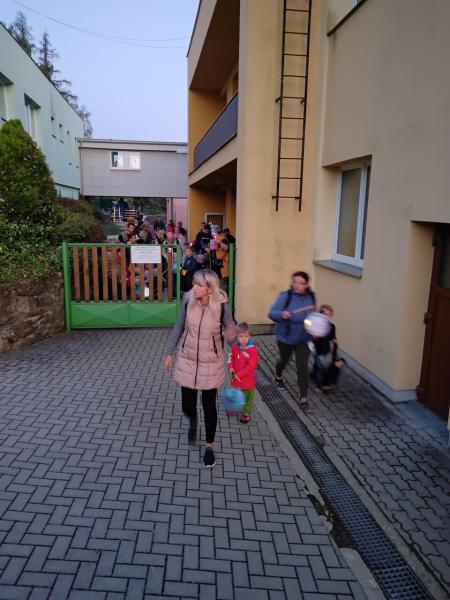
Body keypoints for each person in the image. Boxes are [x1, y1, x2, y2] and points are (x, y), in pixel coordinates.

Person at [163, 269, 236, 468]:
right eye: (194, 283)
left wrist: (239, 352)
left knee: (209, 406)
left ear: (210, 289)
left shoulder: (222, 307)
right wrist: (169, 353)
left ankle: (209, 446)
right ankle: (193, 420)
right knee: (187, 405)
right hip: (188, 359)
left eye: (199, 285)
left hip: (211, 362)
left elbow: (230, 331)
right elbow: (179, 327)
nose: (194, 287)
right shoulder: (188, 302)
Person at [268, 271, 316, 413]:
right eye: (295, 282)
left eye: (301, 283)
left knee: (302, 366)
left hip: (304, 338)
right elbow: (271, 313)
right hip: (286, 337)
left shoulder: (311, 297)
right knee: (284, 360)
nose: (297, 285)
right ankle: (278, 375)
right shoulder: (285, 297)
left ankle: (304, 398)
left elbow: (313, 317)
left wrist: (316, 330)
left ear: (306, 285)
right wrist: (281, 314)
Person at [227, 322, 258, 423]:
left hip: (248, 380)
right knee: (233, 393)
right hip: (235, 378)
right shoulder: (235, 347)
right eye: (241, 336)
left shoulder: (252, 350)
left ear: (249, 336)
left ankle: (246, 413)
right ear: (237, 337)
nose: (243, 339)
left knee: (248, 397)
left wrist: (239, 375)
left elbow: (251, 367)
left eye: (246, 336)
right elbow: (231, 357)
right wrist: (231, 367)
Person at [310, 304, 346, 390]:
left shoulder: (332, 327)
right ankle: (323, 383)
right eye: (325, 315)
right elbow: (312, 337)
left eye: (330, 315)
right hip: (318, 350)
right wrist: (315, 337)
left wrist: (334, 340)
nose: (328, 317)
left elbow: (332, 336)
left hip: (327, 349)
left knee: (318, 364)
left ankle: (313, 373)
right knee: (323, 367)